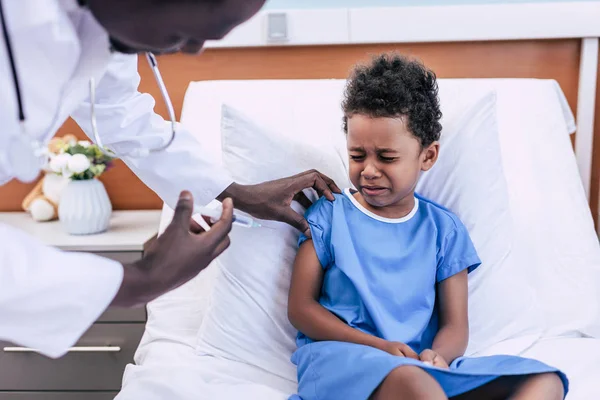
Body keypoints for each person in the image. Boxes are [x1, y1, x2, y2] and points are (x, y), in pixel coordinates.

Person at [0, 0, 340, 359]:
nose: (192, 50)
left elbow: (123, 115)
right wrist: (139, 282)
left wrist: (236, 193)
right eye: (182, 34)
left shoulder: (104, 26)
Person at [287, 53, 568, 400]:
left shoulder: (444, 230)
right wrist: (379, 347)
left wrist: (439, 356)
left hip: (418, 366)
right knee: (413, 384)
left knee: (544, 381)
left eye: (387, 158)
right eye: (357, 155)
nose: (369, 170)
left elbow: (454, 326)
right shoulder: (328, 215)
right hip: (342, 359)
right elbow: (301, 309)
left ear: (428, 156)